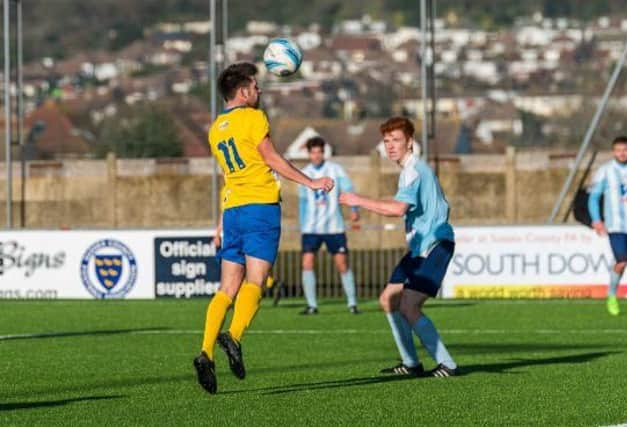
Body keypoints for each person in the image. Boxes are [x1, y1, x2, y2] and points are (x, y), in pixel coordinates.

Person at [194, 62, 334, 394]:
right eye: (255, 87)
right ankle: (235, 336)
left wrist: (219, 221)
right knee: (255, 281)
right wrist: (310, 182)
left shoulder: (216, 128)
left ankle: (205, 351)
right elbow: (272, 158)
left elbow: (228, 178)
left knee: (226, 289)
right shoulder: (253, 118)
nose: (260, 92)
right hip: (260, 209)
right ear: (242, 92)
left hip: (233, 211)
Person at [340, 117, 458, 378]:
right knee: (388, 299)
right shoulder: (409, 170)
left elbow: (397, 209)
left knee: (409, 306)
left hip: (435, 245)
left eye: (396, 140)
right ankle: (411, 363)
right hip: (419, 249)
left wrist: (357, 199)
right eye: (386, 141)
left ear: (410, 143)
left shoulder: (414, 171)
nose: (390, 146)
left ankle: (448, 364)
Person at [298, 136, 360, 315]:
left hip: (334, 226)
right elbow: (302, 201)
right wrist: (303, 224)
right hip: (311, 228)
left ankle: (352, 303)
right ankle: (312, 305)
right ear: (308, 154)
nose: (316, 155)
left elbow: (348, 189)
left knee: (342, 264)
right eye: (313, 152)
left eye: (319, 152)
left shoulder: (335, 170)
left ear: (323, 152)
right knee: (307, 263)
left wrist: (354, 209)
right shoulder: (304, 172)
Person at [588, 135, 627, 317]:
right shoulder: (605, 171)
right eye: (618, 150)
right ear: (613, 152)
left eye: (625, 150)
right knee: (622, 261)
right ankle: (611, 295)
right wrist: (597, 220)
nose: (622, 153)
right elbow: (593, 198)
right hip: (616, 226)